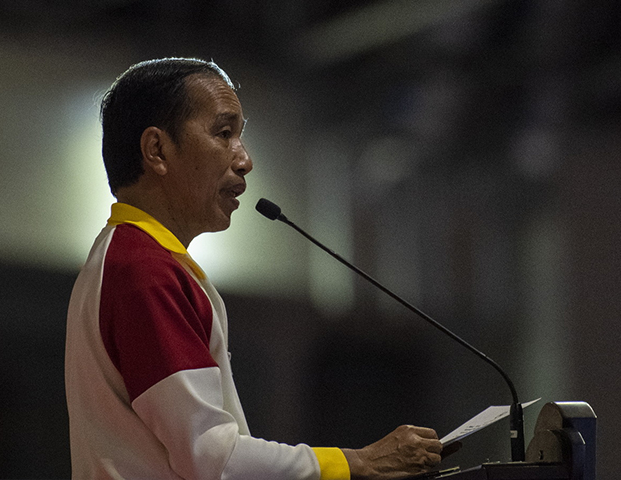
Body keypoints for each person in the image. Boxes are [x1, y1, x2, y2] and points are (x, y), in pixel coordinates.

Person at [64, 57, 444, 479]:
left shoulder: (127, 259)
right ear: (157, 150)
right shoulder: (143, 271)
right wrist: (359, 463)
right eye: (224, 134)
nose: (244, 160)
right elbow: (212, 459)